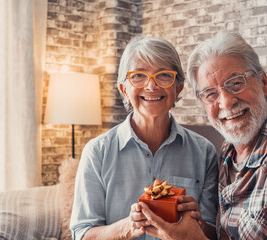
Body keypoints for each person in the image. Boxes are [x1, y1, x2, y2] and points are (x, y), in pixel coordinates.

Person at [139, 31, 267, 239]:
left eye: (236, 83)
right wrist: (198, 227)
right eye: (211, 93)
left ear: (264, 83)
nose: (226, 102)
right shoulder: (228, 152)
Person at [69, 35, 219, 240]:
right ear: (124, 90)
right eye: (138, 76)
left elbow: (215, 233)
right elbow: (82, 234)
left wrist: (197, 223)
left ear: (178, 88)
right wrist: (128, 227)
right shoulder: (97, 152)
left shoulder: (205, 152)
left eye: (164, 75)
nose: (151, 86)